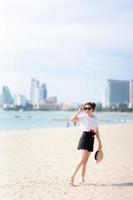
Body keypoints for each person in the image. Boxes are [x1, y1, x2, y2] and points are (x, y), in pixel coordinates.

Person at [69, 102, 102, 186]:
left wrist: (99, 141)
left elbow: (96, 129)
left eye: (89, 108)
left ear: (93, 109)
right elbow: (71, 119)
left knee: (85, 161)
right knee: (82, 160)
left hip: (91, 139)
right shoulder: (83, 117)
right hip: (85, 137)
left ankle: (82, 179)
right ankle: (71, 177)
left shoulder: (95, 118)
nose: (87, 110)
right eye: (86, 108)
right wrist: (79, 111)